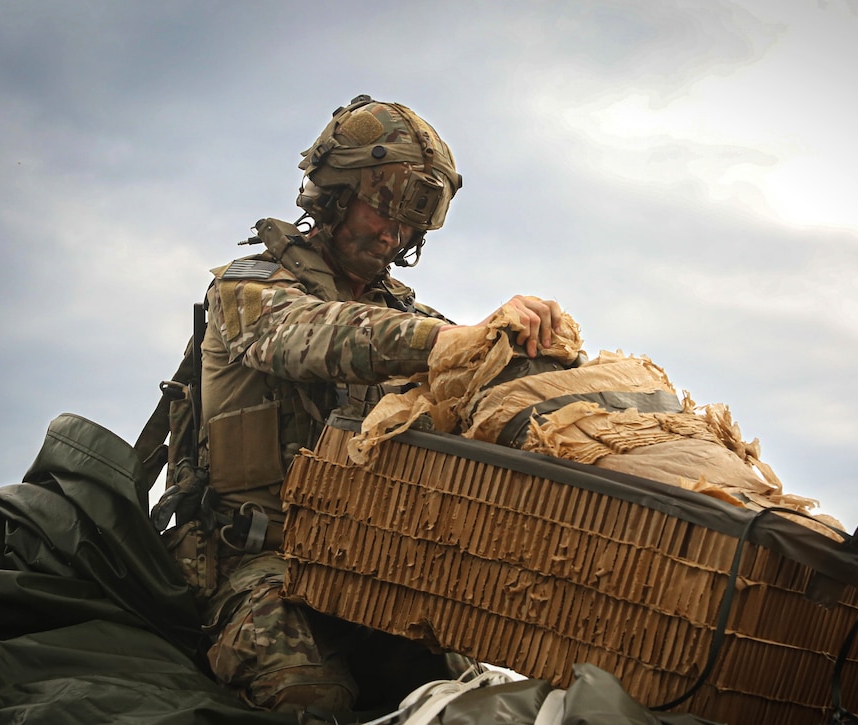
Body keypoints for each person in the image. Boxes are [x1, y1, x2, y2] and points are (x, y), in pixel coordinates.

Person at [160, 95, 562, 719]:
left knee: (468, 696)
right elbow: (312, 336)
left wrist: (537, 359)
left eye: (412, 222)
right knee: (308, 694)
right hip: (255, 561)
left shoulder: (410, 317)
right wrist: (452, 343)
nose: (394, 233)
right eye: (384, 207)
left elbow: (475, 373)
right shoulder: (246, 289)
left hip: (368, 562)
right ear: (336, 194)